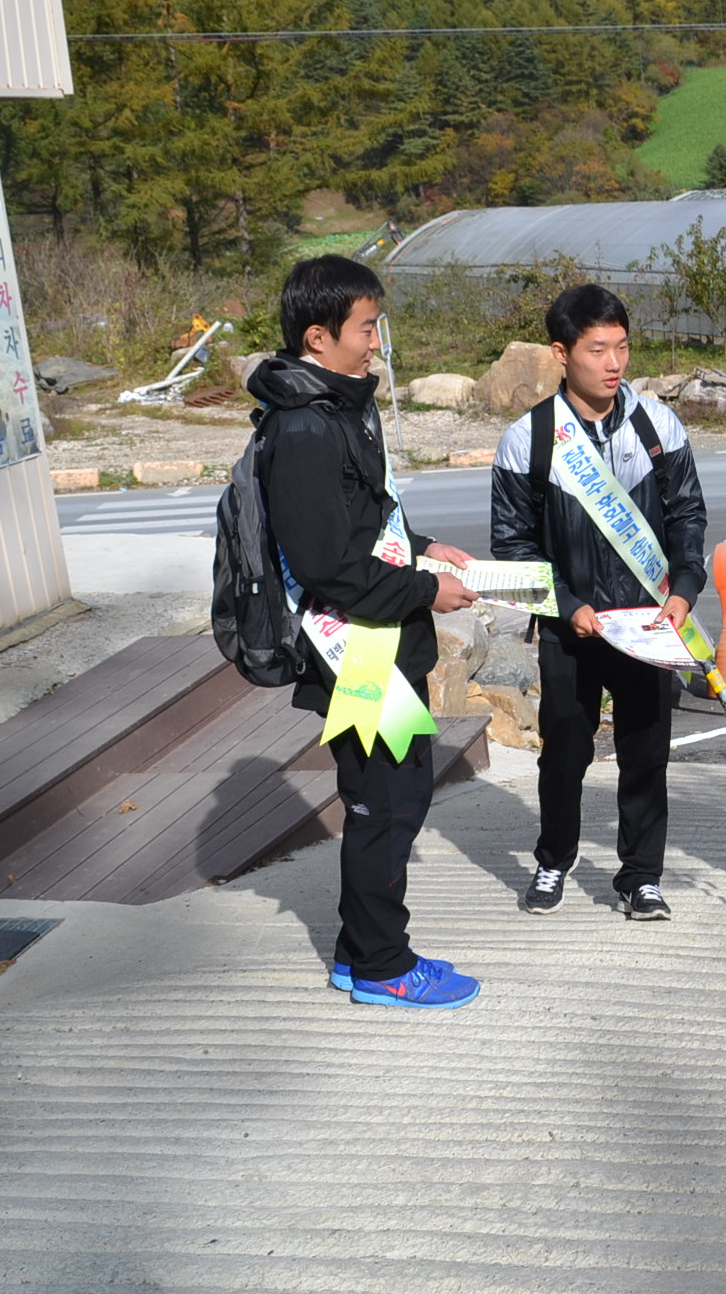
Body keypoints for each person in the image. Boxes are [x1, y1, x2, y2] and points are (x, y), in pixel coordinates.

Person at [247, 255, 485, 1008]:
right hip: (355, 647)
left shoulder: (339, 405)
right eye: (365, 328)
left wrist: (425, 547)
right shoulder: (305, 427)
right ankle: (384, 965)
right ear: (317, 337)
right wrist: (428, 590)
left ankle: (359, 954)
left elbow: (365, 520)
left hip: (378, 639)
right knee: (386, 803)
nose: (376, 341)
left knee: (391, 795)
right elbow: (329, 565)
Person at [490, 283, 708, 922]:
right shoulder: (529, 439)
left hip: (646, 623)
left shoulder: (657, 425)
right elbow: (513, 544)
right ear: (562, 353)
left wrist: (684, 590)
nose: (614, 364)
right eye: (597, 349)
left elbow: (687, 516)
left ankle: (641, 876)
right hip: (572, 629)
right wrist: (566, 605)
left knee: (646, 751)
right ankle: (554, 858)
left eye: (622, 347)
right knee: (565, 750)